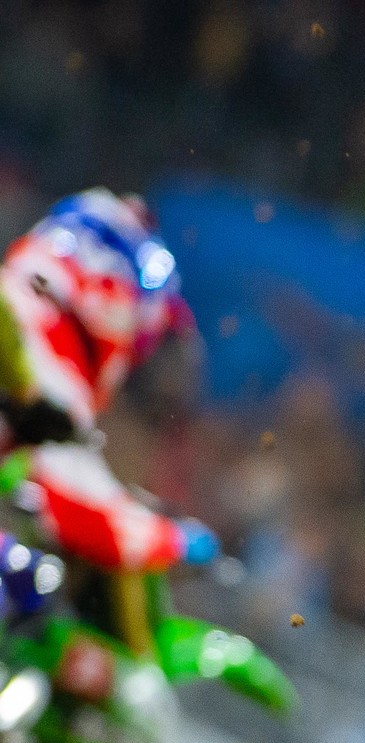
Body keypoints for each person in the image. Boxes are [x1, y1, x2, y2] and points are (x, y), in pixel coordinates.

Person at [0, 190, 214, 570]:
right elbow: (80, 508)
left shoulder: (17, 310)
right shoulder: (48, 342)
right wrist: (176, 541)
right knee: (25, 581)